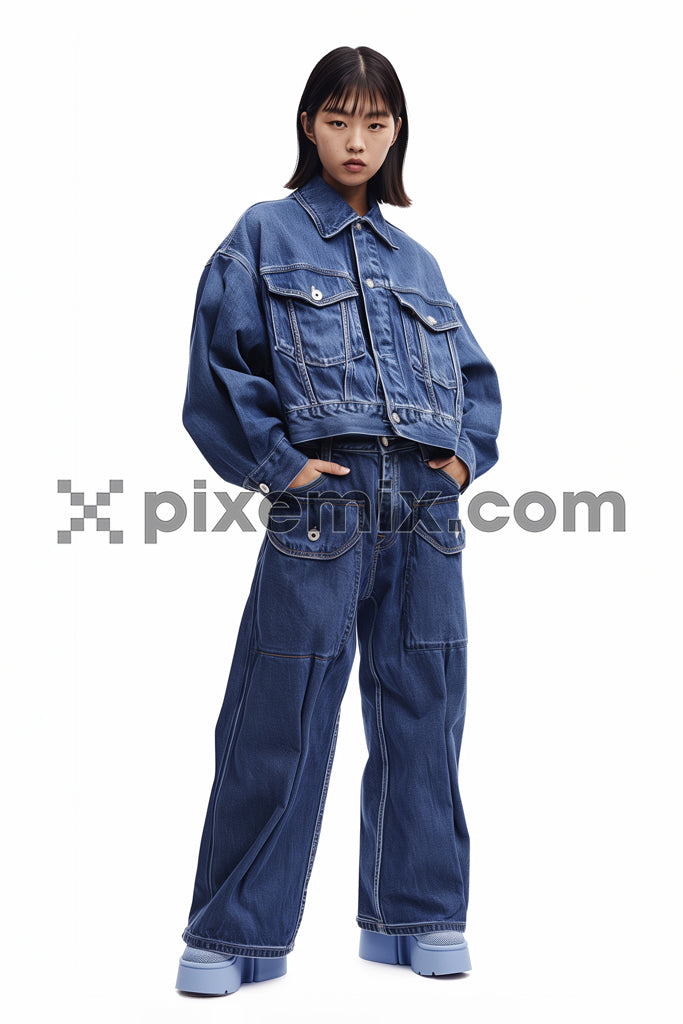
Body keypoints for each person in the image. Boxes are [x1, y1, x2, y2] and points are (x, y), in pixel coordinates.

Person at [175, 45, 502, 996]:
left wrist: (463, 457)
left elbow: (475, 379)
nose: (355, 140)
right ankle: (235, 931)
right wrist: (279, 465)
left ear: (396, 133)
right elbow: (218, 366)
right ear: (308, 125)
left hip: (424, 512)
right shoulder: (264, 232)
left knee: (425, 706)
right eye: (337, 119)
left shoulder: (418, 262)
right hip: (321, 499)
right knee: (280, 705)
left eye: (375, 122)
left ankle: (419, 914)